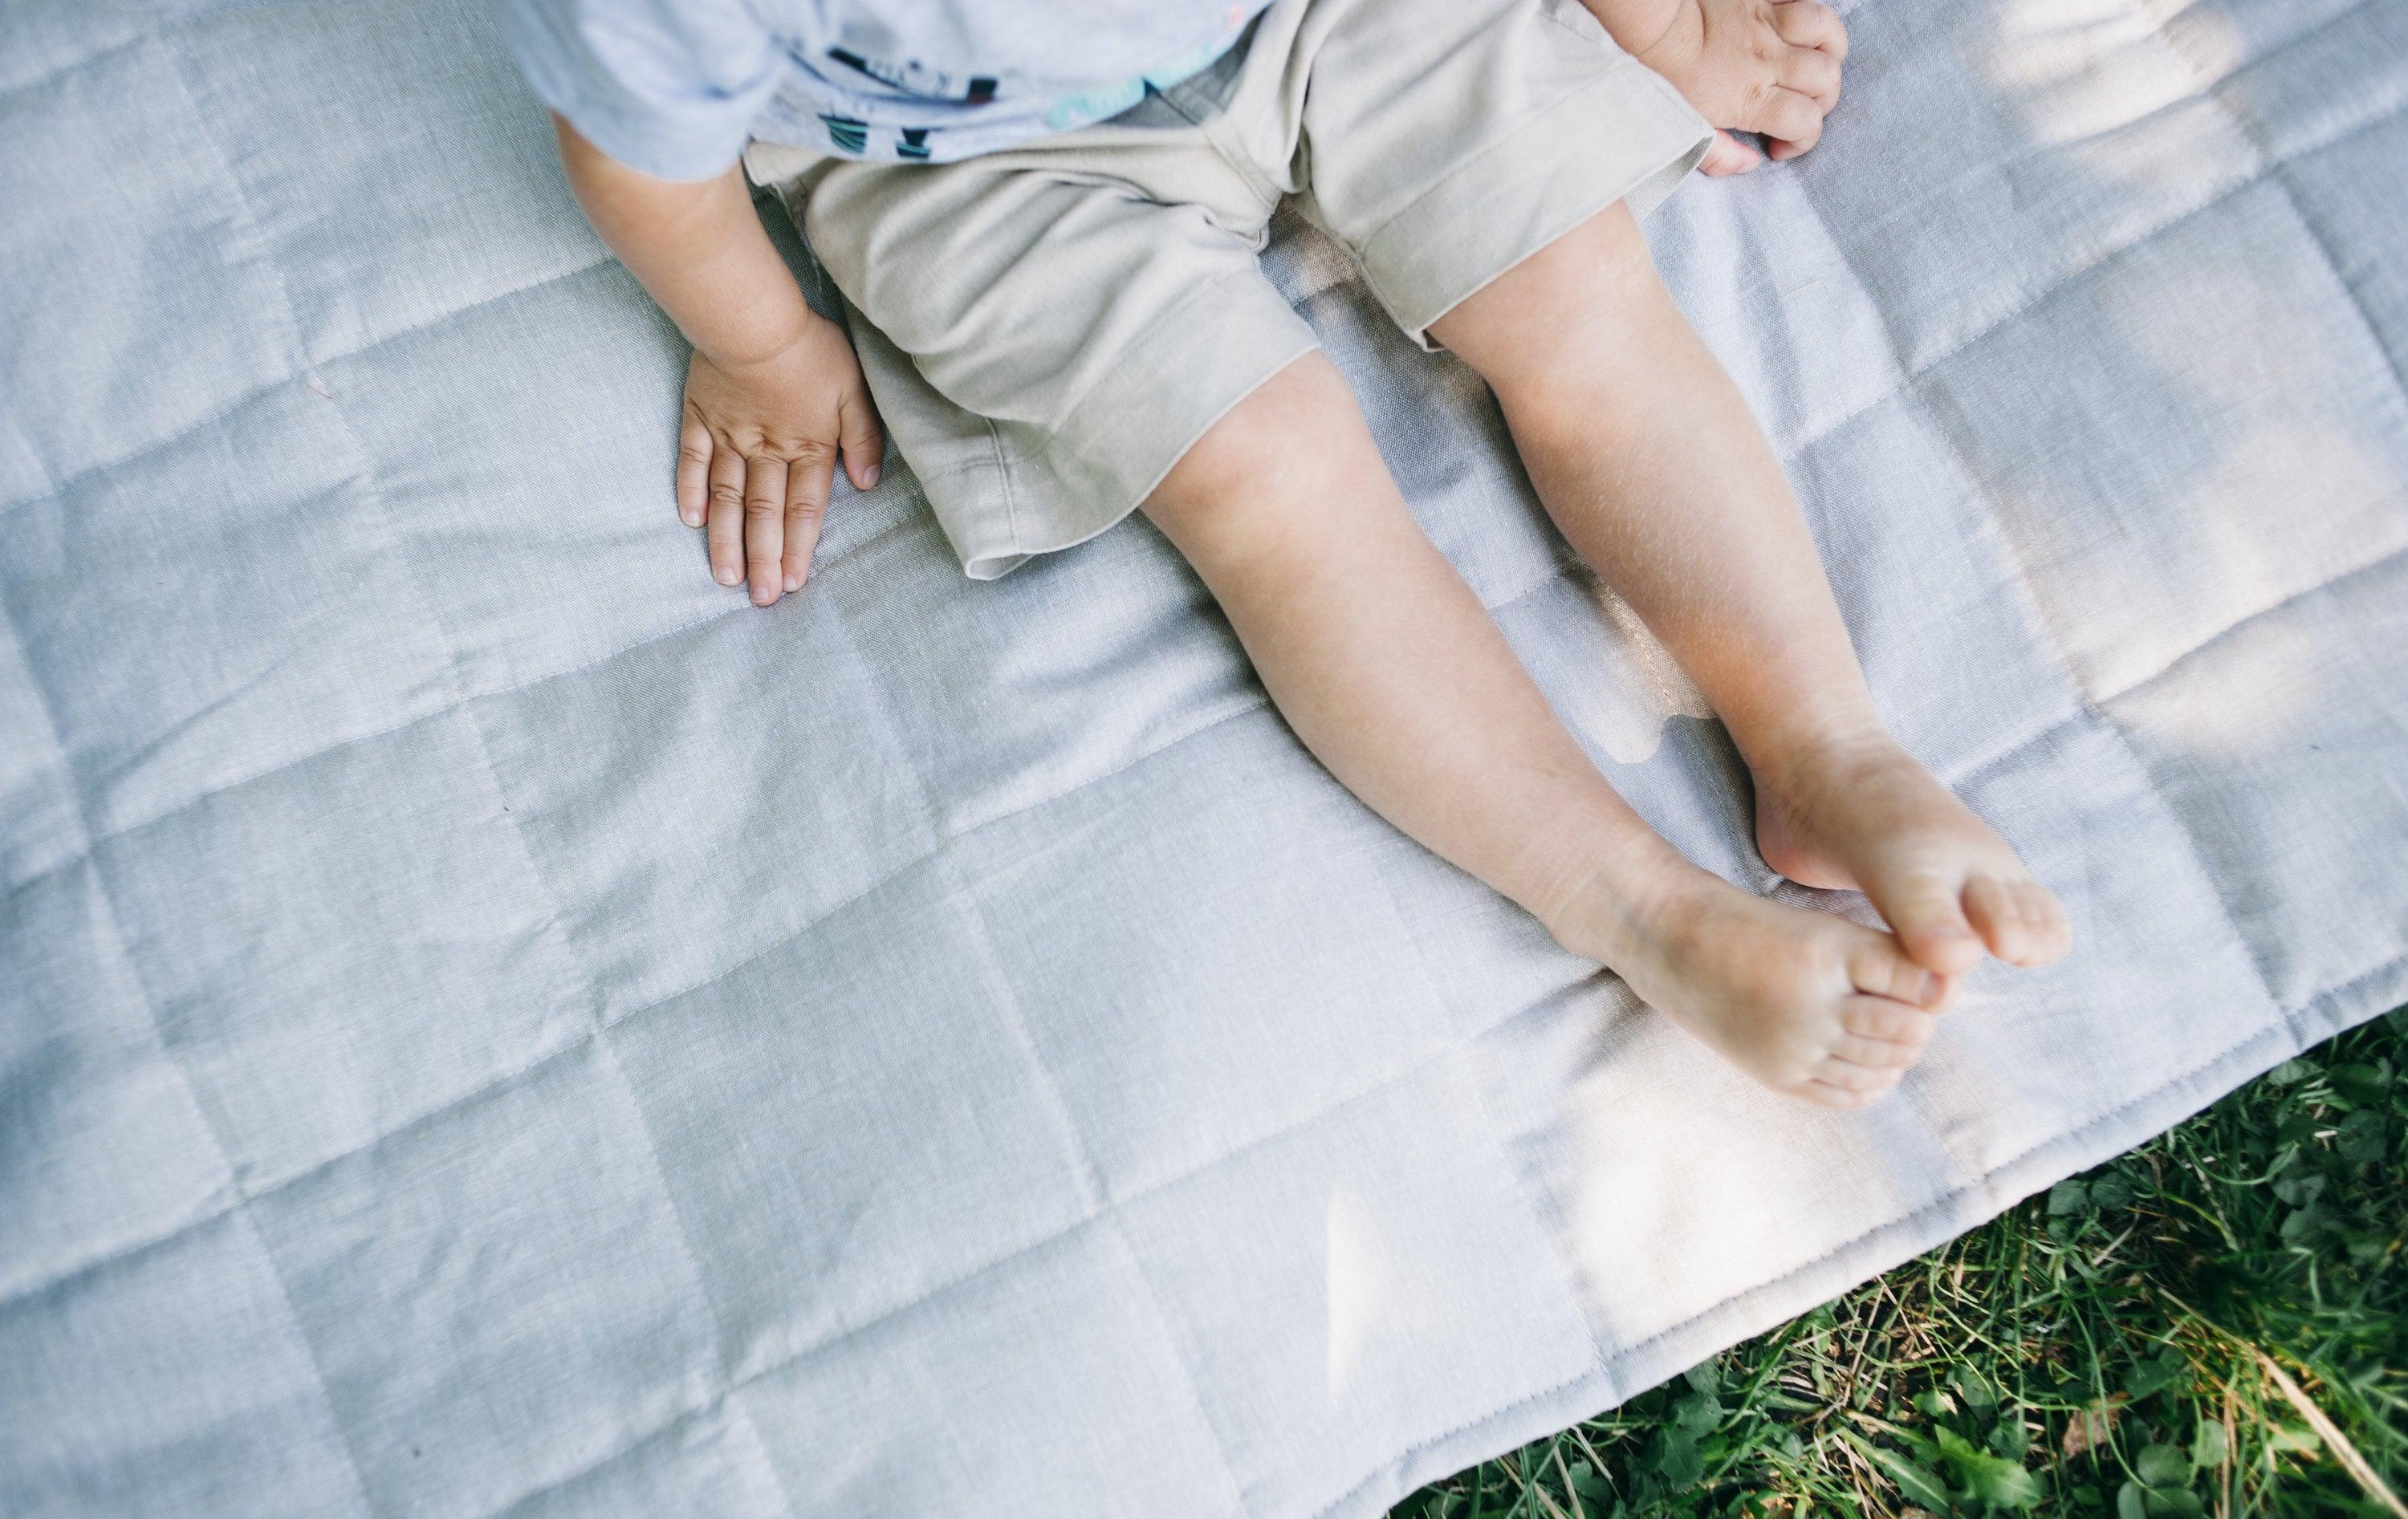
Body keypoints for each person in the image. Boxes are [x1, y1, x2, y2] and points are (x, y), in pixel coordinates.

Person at [497, 0, 2072, 1109]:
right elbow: (637, 153)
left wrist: (1661, 31)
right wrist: (762, 346)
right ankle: (1646, 911)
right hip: (950, 165)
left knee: (1572, 284)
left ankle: (1828, 745)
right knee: (1266, 477)